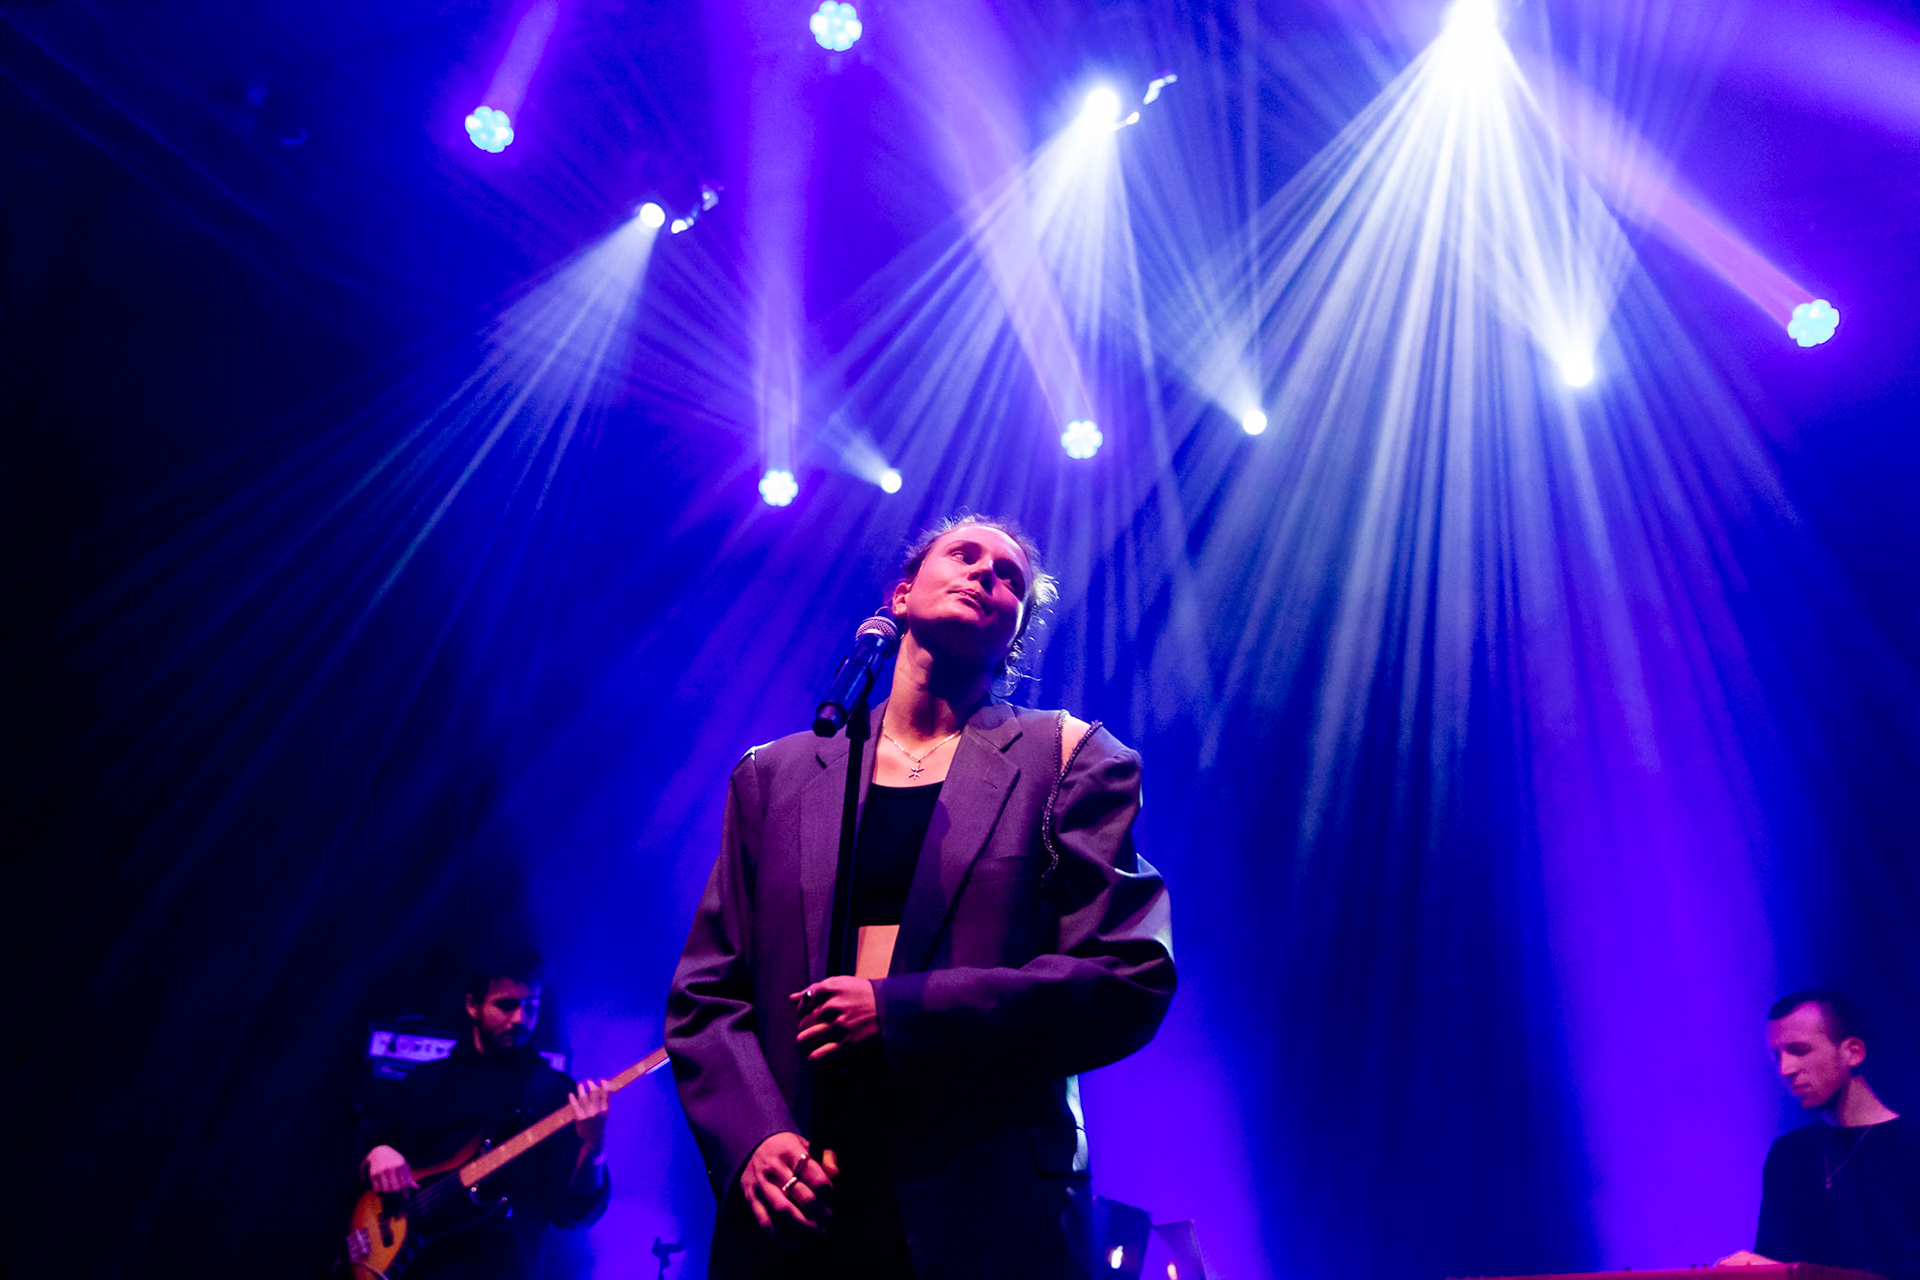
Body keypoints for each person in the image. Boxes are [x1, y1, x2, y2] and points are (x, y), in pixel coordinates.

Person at [666, 515, 1176, 1279]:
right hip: (802, 1198)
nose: (987, 576)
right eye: (964, 555)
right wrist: (753, 1138)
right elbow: (707, 993)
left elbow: (1128, 974)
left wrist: (904, 1009)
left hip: (983, 1201)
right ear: (901, 595)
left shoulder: (1069, 758)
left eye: (1011, 579)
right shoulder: (774, 775)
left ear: (1015, 635)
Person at [359, 950, 613, 1279]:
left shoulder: (553, 1092)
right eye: (506, 1005)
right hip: (414, 1268)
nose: (521, 1019)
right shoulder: (427, 1081)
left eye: (531, 1006)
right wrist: (377, 1154)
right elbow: (372, 1155)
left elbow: (575, 1211)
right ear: (472, 1005)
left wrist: (594, 1148)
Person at [1717, 990, 1920, 1280]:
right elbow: (1775, 1262)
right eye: (1777, 1056)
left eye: (1799, 1050)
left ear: (1853, 1052)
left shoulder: (1912, 1146)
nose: (1785, 1069)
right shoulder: (1788, 1155)